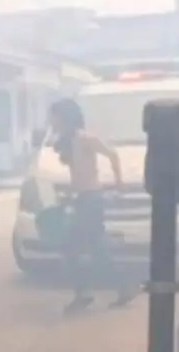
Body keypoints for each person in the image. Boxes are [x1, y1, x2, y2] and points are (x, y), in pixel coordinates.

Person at [47, 98, 136, 314]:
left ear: (65, 117)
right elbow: (78, 172)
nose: (51, 121)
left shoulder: (85, 138)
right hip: (83, 199)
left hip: (92, 199)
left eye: (54, 116)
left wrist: (119, 183)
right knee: (94, 248)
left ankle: (88, 293)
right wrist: (70, 195)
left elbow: (112, 154)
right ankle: (122, 286)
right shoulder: (67, 141)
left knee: (74, 246)